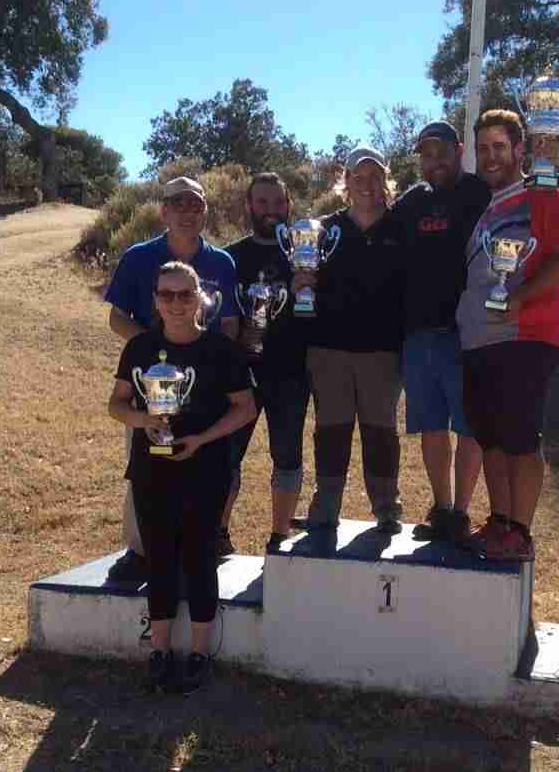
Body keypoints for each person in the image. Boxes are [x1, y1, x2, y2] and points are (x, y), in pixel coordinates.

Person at [107, 261, 256, 693]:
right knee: (159, 557)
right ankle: (159, 652)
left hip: (204, 468)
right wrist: (143, 420)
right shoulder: (138, 349)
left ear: (200, 299)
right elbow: (115, 404)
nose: (175, 303)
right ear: (155, 300)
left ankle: (198, 653)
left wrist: (203, 439)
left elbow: (244, 408)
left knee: (199, 556)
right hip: (150, 468)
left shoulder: (220, 351)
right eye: (166, 295)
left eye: (184, 294)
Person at [455, 110, 559, 561]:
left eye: (499, 147)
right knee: (490, 438)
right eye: (483, 148)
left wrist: (521, 297)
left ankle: (521, 533)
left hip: (524, 337)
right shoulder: (488, 208)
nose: (490, 157)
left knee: (520, 439)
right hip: (481, 341)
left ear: (518, 150)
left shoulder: (541, 194)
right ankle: (500, 523)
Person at [104, 176, 238, 581]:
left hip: (207, 385)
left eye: (194, 204)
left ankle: (204, 541)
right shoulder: (138, 257)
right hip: (153, 385)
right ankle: (141, 550)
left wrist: (216, 365)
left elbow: (229, 323)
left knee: (212, 463)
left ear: (204, 213)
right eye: (177, 203)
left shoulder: (222, 263)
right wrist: (152, 354)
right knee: (146, 463)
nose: (186, 211)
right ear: (163, 211)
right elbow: (116, 317)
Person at [296, 146, 406, 534]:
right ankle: (325, 507)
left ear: (385, 181)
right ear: (346, 182)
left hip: (383, 352)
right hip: (329, 350)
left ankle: (387, 507)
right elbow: (300, 278)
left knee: (380, 432)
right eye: (358, 177)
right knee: (332, 431)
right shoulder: (323, 229)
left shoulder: (400, 226)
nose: (367, 184)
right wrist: (300, 283)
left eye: (375, 176)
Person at [393, 121, 491, 543]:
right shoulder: (413, 201)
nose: (434, 162)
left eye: (441, 152)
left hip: (466, 333)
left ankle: (463, 512)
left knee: (469, 426)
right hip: (419, 335)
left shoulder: (477, 192)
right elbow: (377, 221)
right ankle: (442, 507)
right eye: (426, 154)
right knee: (431, 426)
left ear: (458, 150)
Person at [222, 172, 311, 552]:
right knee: (226, 455)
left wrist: (308, 285)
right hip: (240, 373)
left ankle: (279, 537)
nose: (271, 210)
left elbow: (317, 312)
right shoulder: (230, 257)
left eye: (278, 203)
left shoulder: (305, 251)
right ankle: (217, 534)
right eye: (262, 202)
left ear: (289, 206)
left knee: (287, 455)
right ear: (248, 205)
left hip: (290, 371)